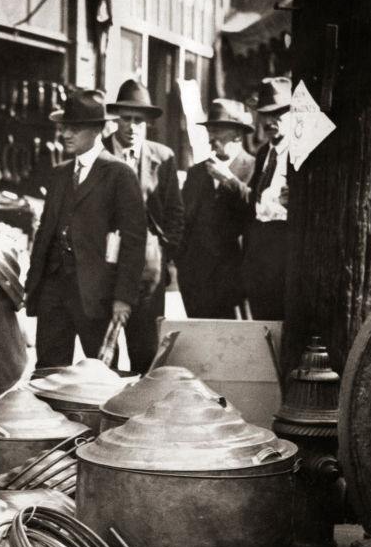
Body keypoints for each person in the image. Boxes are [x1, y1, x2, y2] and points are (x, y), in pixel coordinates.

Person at [25, 89, 146, 368]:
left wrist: (123, 298)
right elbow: (44, 233)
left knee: (100, 377)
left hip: (96, 295)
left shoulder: (119, 174)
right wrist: (34, 285)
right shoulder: (59, 174)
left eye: (75, 128)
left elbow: (133, 242)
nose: (66, 134)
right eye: (64, 127)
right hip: (53, 291)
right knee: (48, 374)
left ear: (97, 130)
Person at [103, 79, 184, 373]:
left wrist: (162, 253)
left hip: (147, 273)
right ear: (116, 119)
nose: (132, 126)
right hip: (105, 267)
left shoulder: (162, 158)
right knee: (103, 356)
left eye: (139, 120)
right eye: (126, 119)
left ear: (147, 122)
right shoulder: (98, 154)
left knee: (145, 354)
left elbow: (175, 213)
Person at [177, 99, 256, 318]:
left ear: (238, 135)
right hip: (197, 285)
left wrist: (228, 179)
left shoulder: (255, 168)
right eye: (210, 131)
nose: (212, 138)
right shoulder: (196, 173)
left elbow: (255, 211)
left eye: (218, 131)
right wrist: (183, 267)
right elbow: (183, 223)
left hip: (236, 285)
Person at [242, 76, 292, 320]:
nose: (271, 121)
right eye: (265, 114)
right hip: (260, 251)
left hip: (286, 250)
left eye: (279, 113)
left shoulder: (299, 154)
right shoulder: (263, 153)